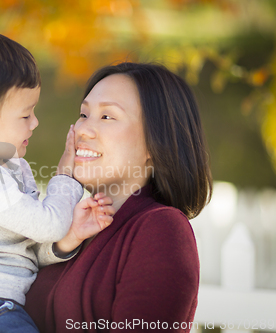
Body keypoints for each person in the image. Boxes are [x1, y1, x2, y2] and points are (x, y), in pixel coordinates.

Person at [0, 30, 116, 333]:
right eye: (25, 115)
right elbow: (48, 224)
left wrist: (67, 239)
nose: (35, 122)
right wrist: (65, 178)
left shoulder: (11, 167)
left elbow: (25, 247)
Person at [25, 62, 213, 333]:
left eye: (107, 117)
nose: (82, 130)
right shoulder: (66, 224)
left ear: (155, 141)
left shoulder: (162, 230)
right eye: (83, 114)